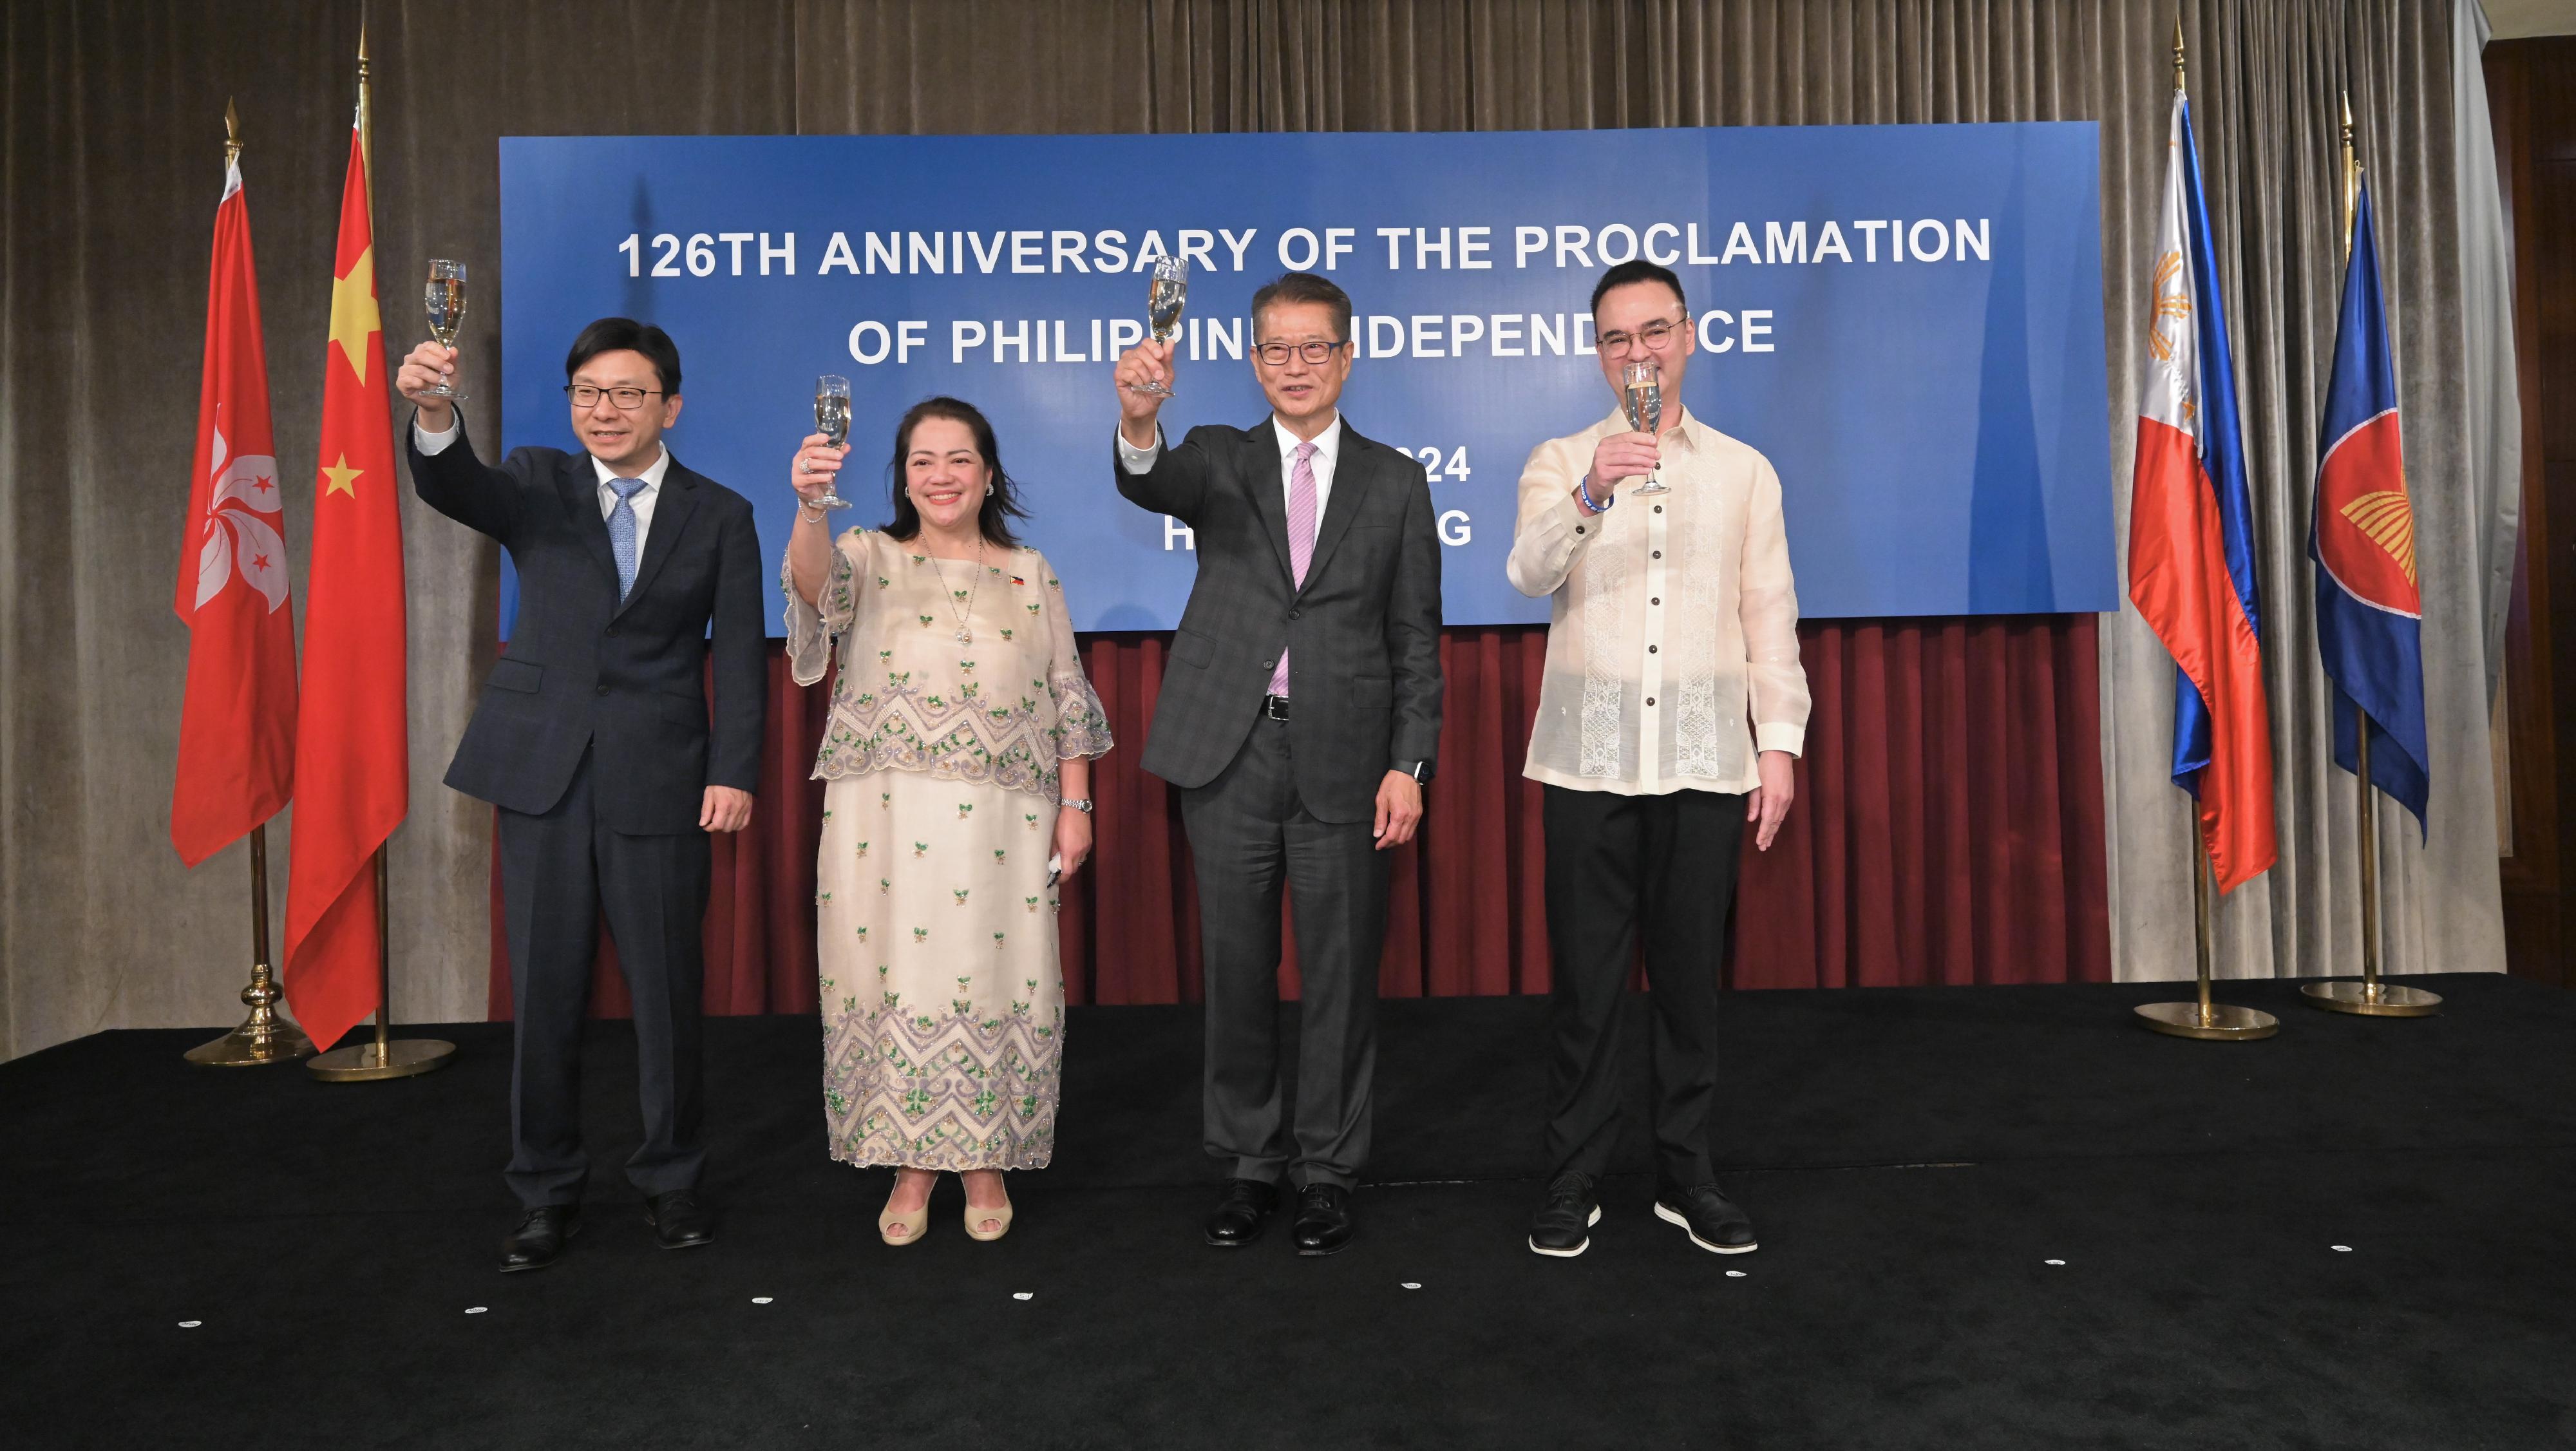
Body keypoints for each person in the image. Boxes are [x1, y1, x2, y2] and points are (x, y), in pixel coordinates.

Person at [397, 319, 766, 1273]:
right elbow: (451, 482)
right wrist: (436, 411)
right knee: (547, 989)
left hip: (663, 778)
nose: (604, 411)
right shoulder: (536, 482)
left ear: (669, 406)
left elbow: (738, 654)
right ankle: (544, 1189)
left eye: (627, 394)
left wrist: (733, 770)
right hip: (542, 774)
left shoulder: (720, 513)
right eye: (587, 393)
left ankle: (673, 1179)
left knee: (668, 997)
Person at [1111, 271, 1442, 1257]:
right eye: (1276, 350)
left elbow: (1416, 637)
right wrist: (1138, 418)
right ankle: (1250, 1163)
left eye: (1314, 348)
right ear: (1253, 360)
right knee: (1238, 966)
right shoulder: (1217, 456)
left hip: (1349, 756)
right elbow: (1149, 477)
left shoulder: (1395, 479)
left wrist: (1410, 765)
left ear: (1349, 353)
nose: (1295, 366)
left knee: (1340, 975)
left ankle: (1328, 1170)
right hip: (1231, 748)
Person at [1504, 260, 1811, 1260]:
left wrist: (1781, 747)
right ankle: (1573, 1177)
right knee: (1586, 989)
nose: (1637, 353)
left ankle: (1688, 1173)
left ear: (1688, 337)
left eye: (1653, 332)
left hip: (1703, 761)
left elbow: (1769, 616)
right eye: (1616, 338)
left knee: (1689, 983)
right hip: (1587, 766)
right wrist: (1594, 489)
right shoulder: (1560, 458)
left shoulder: (1743, 469)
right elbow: (1524, 570)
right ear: (1598, 353)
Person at [784, 397, 1112, 1246]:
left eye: (959, 459)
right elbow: (815, 591)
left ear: (989, 474)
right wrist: (811, 506)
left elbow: (1066, 695)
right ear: (900, 478)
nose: (941, 475)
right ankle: (909, 1162)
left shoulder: (1030, 570)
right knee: (895, 975)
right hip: (884, 822)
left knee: (997, 977)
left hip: (1006, 822)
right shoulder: (868, 552)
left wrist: (1075, 806)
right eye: (922, 461)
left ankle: (985, 1159)